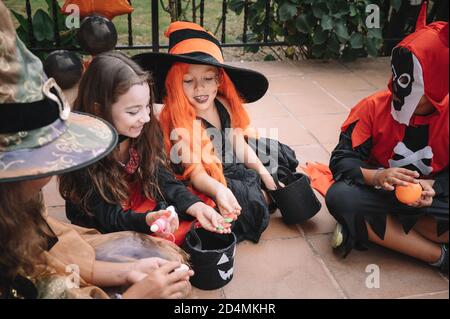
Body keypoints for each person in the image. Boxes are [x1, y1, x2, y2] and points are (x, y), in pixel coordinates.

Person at [0, 1, 192, 298]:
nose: (54, 169)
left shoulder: (18, 205)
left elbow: (49, 251)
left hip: (124, 213)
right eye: (43, 156)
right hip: (108, 217)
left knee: (169, 262)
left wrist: (127, 272)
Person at [133, 22, 299, 243]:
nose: (199, 88)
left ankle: (265, 188)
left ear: (219, 80)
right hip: (206, 174)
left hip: (228, 160)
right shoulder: (179, 121)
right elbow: (198, 175)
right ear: (174, 84)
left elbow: (239, 144)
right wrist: (220, 190)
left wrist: (266, 177)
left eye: (207, 79)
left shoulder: (222, 103)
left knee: (276, 162)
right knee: (247, 204)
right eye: (188, 81)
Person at [325, 2, 448, 273]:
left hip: (433, 201)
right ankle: (439, 256)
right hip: (378, 195)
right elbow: (341, 161)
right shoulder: (371, 107)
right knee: (341, 197)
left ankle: (369, 228)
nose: (397, 92)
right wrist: (378, 177)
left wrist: (434, 188)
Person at [59, 51, 230, 246]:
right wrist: (147, 220)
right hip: (101, 215)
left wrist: (195, 206)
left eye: (147, 107)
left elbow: (159, 175)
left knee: (201, 207)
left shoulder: (143, 129)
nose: (146, 117)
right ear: (99, 109)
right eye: (133, 111)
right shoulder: (82, 151)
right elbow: (107, 217)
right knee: (156, 242)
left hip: (134, 194)